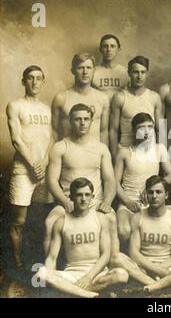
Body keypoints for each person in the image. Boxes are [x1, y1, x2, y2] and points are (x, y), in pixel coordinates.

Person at [45, 104, 117, 256]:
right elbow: (51, 180)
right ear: (71, 121)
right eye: (78, 119)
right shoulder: (60, 147)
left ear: (91, 121)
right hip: (69, 203)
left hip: (95, 203)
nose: (82, 123)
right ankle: (50, 271)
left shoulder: (101, 148)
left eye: (86, 119)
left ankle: (111, 265)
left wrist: (107, 202)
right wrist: (65, 202)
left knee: (111, 218)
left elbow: (110, 180)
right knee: (50, 222)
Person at [37, 178, 129, 298]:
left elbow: (106, 254)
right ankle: (89, 294)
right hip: (72, 273)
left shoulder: (100, 219)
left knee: (122, 274)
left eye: (87, 195)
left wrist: (88, 277)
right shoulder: (61, 222)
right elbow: (52, 257)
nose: (84, 199)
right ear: (71, 197)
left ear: (92, 197)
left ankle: (73, 292)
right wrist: (50, 275)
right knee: (42, 273)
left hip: (96, 274)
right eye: (79, 195)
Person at [114, 176, 171, 293]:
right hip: (143, 267)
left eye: (158, 192)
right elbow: (134, 253)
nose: (154, 196)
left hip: (168, 266)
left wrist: (159, 269)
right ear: (146, 194)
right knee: (117, 257)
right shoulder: (137, 218)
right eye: (150, 192)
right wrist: (155, 270)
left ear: (166, 195)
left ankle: (151, 286)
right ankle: (161, 284)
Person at [6, 65, 53, 269]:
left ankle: (38, 259)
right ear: (23, 81)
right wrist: (33, 164)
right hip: (23, 170)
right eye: (30, 78)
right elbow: (16, 139)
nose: (35, 82)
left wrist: (43, 162)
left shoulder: (46, 109)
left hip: (43, 168)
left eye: (38, 78)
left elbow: (51, 138)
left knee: (41, 216)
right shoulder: (15, 106)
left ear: (43, 81)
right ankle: (17, 264)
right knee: (19, 220)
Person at [115, 113, 171, 242]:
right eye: (142, 127)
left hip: (151, 201)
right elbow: (114, 183)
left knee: (151, 234)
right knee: (123, 231)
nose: (146, 131)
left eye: (150, 127)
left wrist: (152, 188)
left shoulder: (160, 149)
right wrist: (128, 201)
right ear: (134, 131)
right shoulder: (124, 152)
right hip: (128, 202)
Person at [109, 56, 162, 160]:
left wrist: (160, 154)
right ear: (129, 73)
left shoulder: (154, 97)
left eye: (143, 72)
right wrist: (114, 155)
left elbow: (160, 129)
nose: (139, 76)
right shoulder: (119, 97)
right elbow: (113, 130)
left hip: (148, 152)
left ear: (147, 73)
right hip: (126, 152)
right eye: (136, 72)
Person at [51, 53, 110, 145]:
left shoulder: (102, 98)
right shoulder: (61, 98)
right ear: (73, 71)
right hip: (68, 155)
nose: (85, 72)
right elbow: (54, 131)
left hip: (94, 155)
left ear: (94, 70)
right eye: (80, 68)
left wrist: (105, 156)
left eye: (88, 68)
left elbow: (104, 132)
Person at [92, 34, 128, 100]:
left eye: (112, 46)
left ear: (119, 49)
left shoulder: (126, 72)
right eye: (105, 46)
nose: (109, 49)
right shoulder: (93, 72)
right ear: (100, 49)